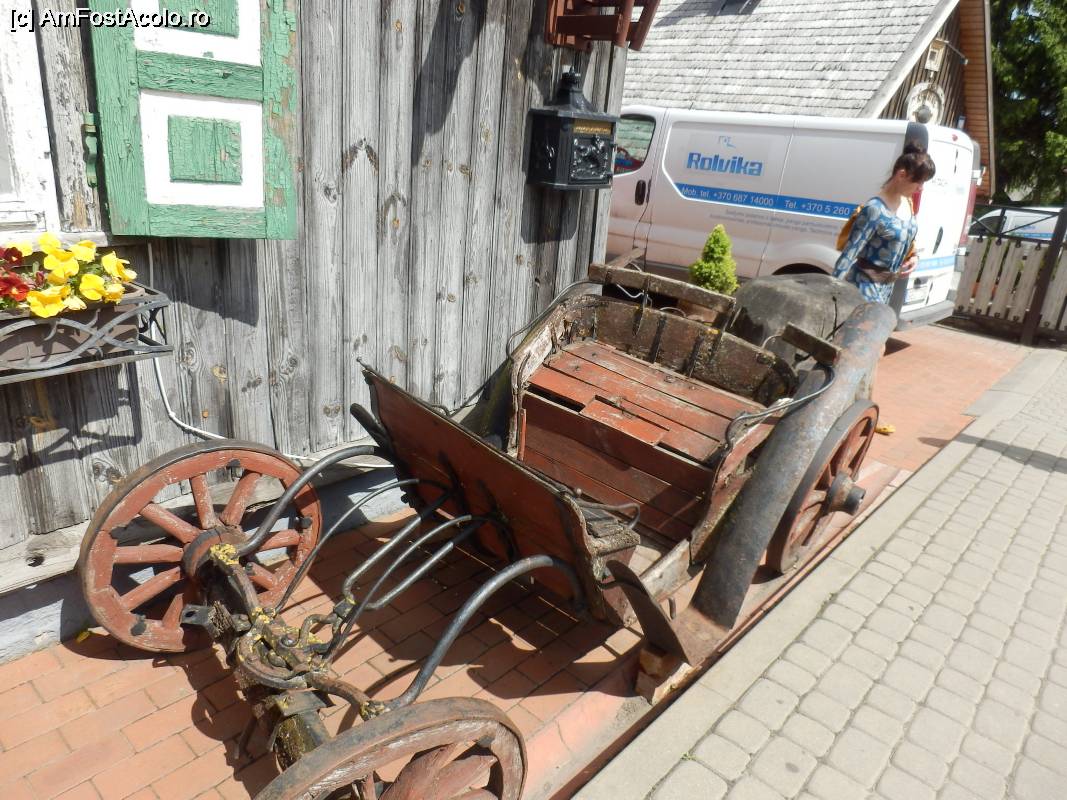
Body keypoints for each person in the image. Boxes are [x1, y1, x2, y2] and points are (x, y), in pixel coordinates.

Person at [833, 143, 937, 303]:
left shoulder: (907, 202)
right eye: (919, 182)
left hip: (886, 289)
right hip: (864, 287)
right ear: (901, 175)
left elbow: (907, 237)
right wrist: (832, 293)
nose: (921, 188)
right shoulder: (875, 209)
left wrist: (913, 256)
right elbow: (849, 254)